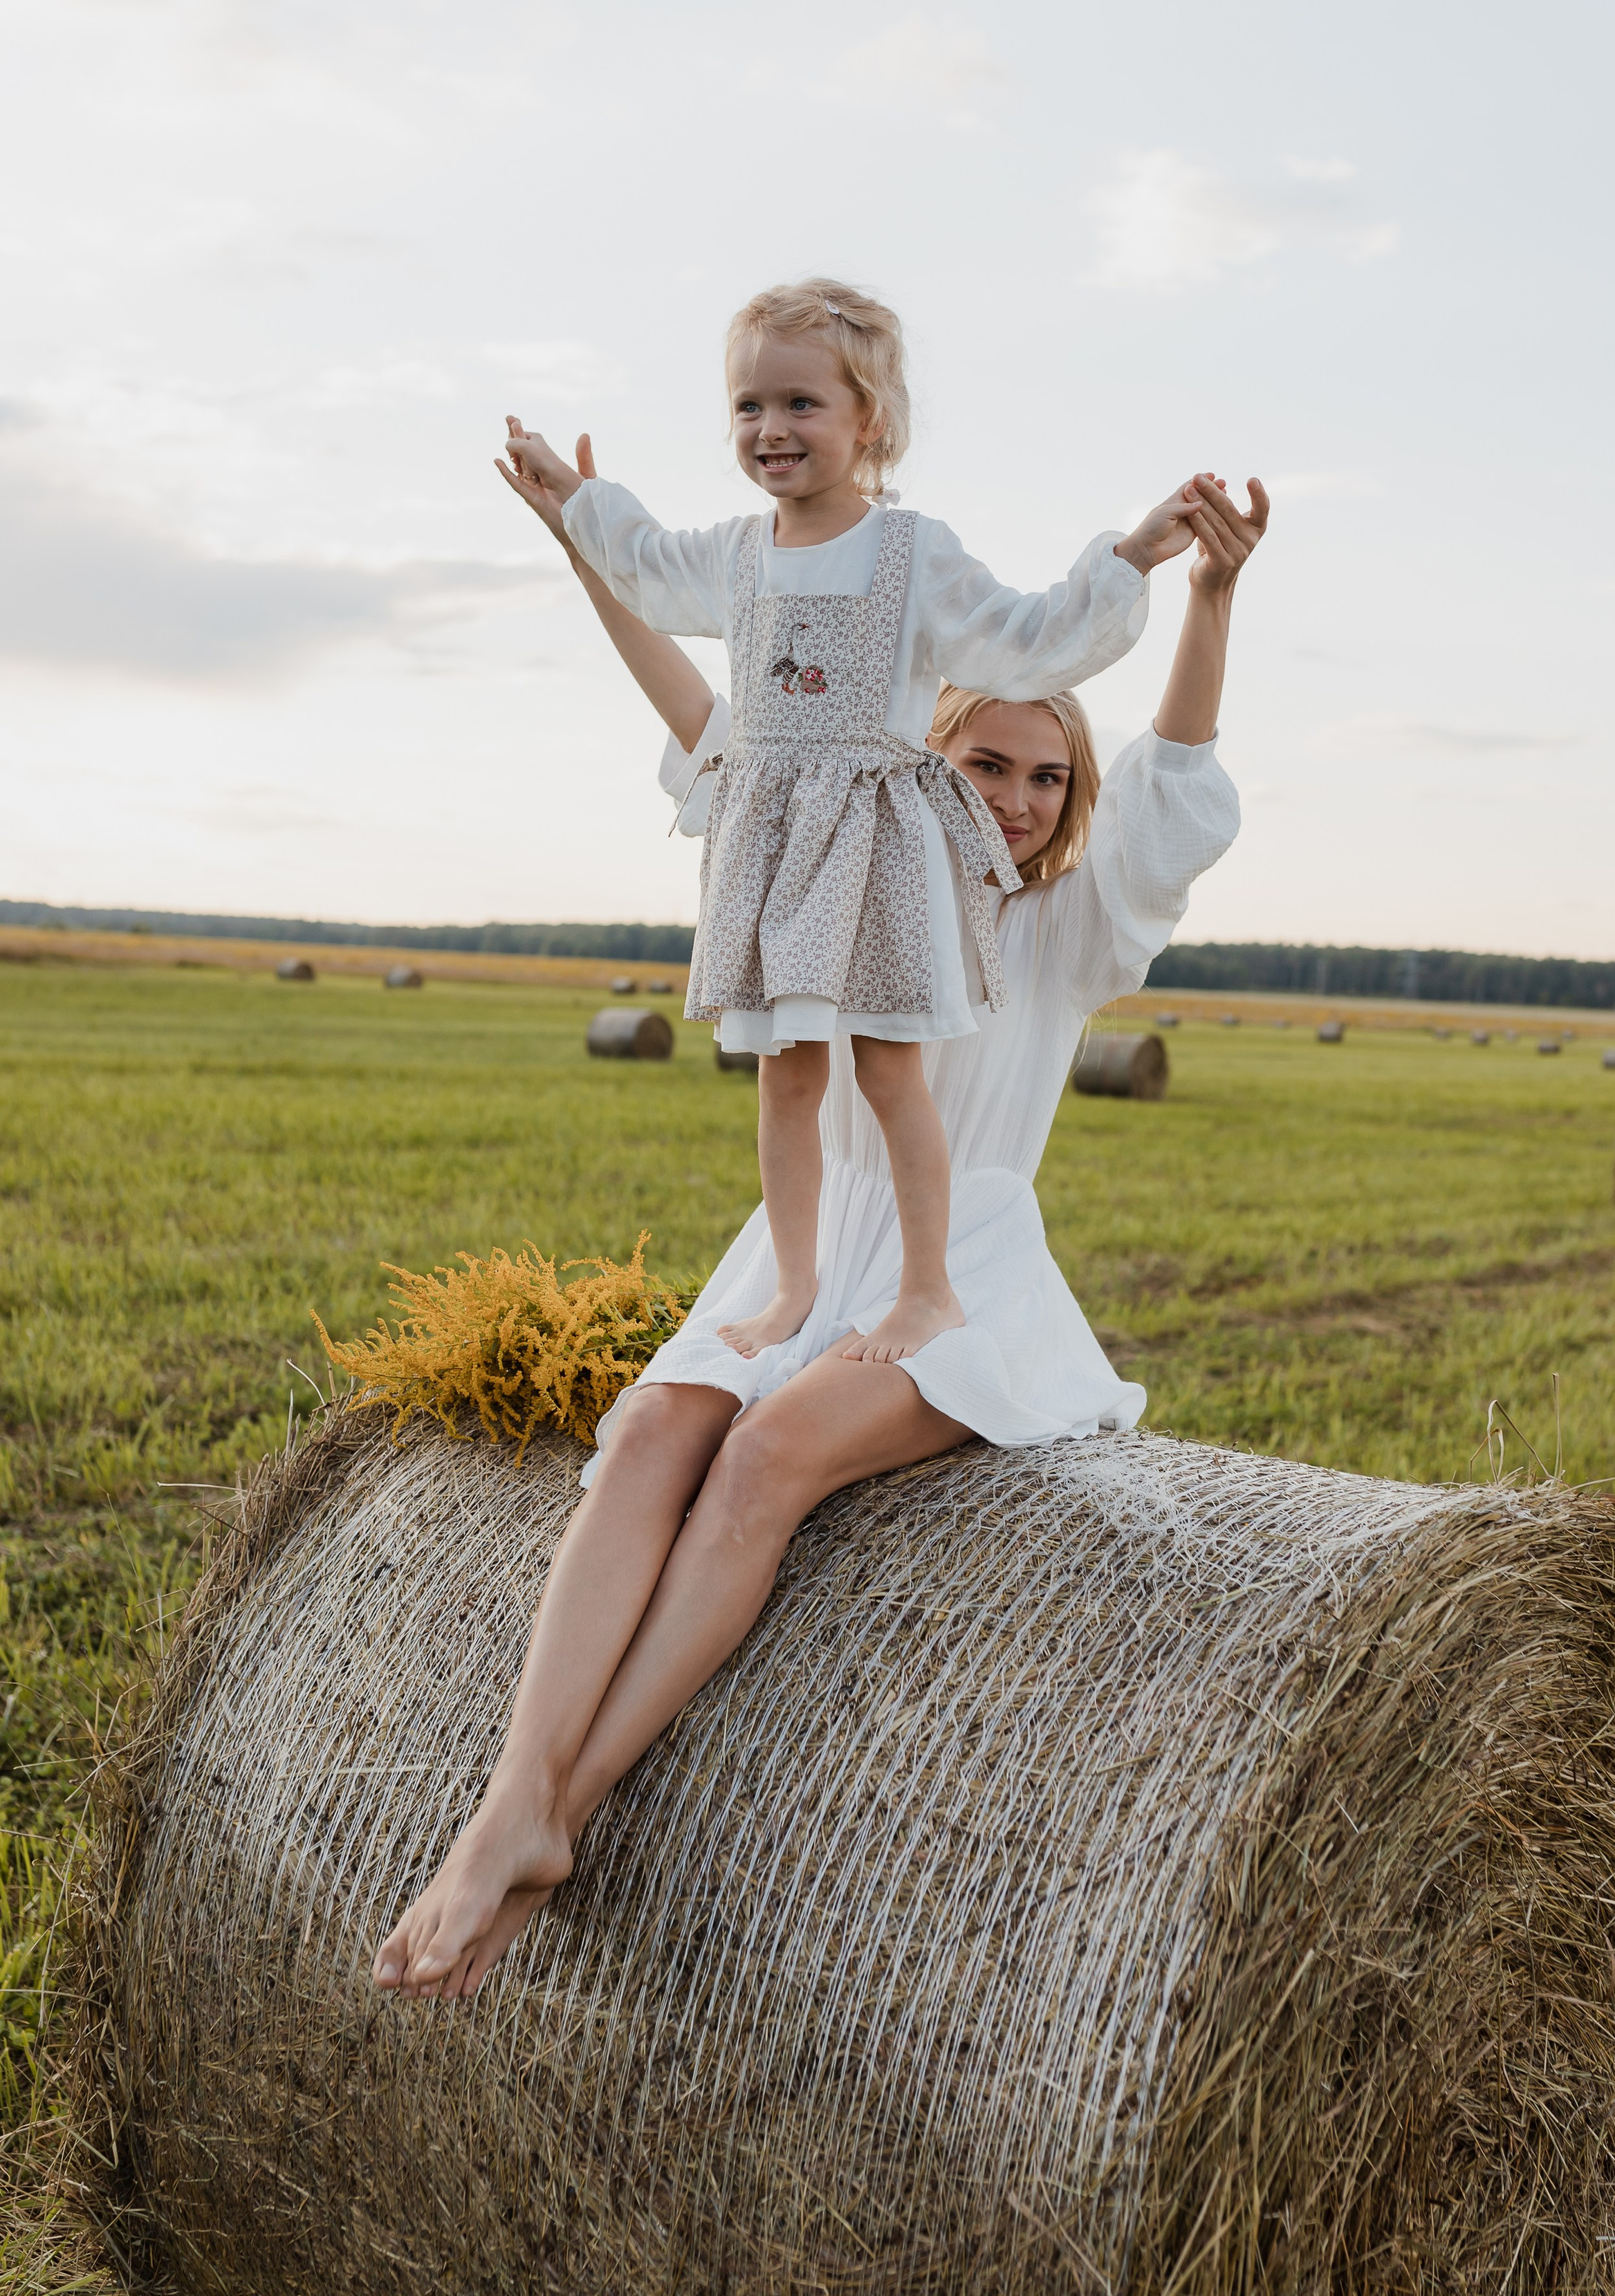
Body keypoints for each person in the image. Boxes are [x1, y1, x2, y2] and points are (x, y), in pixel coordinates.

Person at [371, 441, 1265, 2003]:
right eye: (986, 764)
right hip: (803, 1244)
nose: (1015, 796)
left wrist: (1208, 595)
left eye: (1045, 775)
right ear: (925, 756)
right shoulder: (847, 856)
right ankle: (514, 1791)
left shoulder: (1062, 932)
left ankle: (553, 1821)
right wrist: (585, 540)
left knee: (766, 1457)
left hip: (959, 1272)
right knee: (654, 1430)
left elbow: (1176, 775)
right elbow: (703, 711)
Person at [500, 277, 1210, 1370]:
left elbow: (1028, 636)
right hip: (774, 844)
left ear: (869, 421)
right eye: (749, 406)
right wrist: (575, 505)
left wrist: (1136, 555)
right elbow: (642, 563)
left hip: (877, 842)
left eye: (801, 405)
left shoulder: (911, 553)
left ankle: (926, 1288)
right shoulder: (736, 556)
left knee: (889, 1070)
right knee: (787, 1073)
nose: (770, 429)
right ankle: (796, 1281)